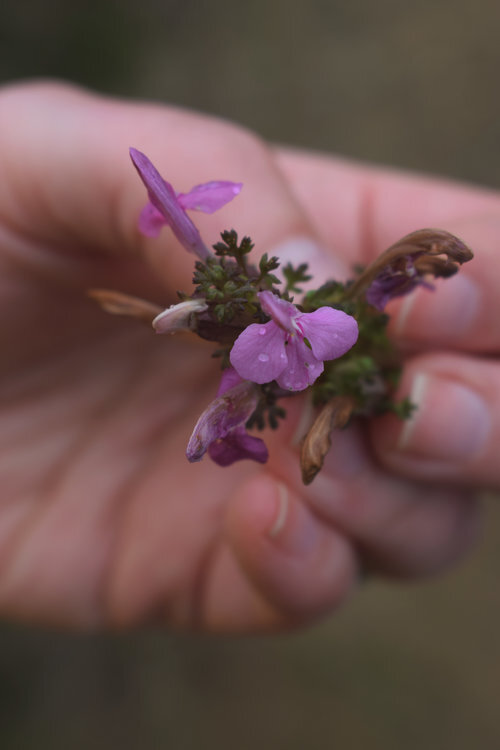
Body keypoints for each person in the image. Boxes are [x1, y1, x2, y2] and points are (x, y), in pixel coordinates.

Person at [0, 79, 496, 632]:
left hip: (315, 332)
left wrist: (291, 312)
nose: (163, 205)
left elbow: (286, 344)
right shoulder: (262, 347)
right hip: (293, 343)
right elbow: (263, 365)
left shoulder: (283, 321)